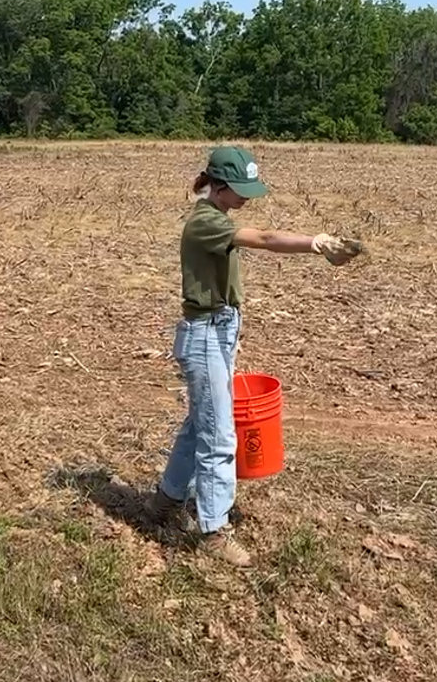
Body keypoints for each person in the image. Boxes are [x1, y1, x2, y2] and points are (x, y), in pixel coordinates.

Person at [145, 146, 361, 567]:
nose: (247, 196)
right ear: (219, 186)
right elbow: (263, 238)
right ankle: (213, 531)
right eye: (241, 189)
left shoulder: (218, 216)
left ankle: (165, 502)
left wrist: (231, 333)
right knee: (219, 436)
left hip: (217, 333)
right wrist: (316, 243)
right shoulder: (205, 222)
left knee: (200, 425)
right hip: (205, 335)